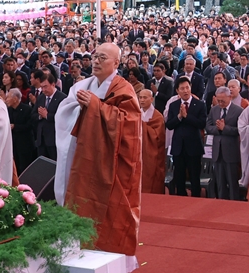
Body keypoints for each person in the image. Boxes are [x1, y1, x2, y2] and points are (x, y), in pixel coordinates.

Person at [54, 42, 142, 261]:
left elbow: (129, 124)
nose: (96, 61)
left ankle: (111, 256)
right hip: (82, 157)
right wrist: (85, 106)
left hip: (110, 161)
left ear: (116, 63)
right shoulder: (81, 85)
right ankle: (77, 250)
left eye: (103, 58)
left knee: (111, 208)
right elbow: (63, 113)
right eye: (95, 57)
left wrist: (95, 106)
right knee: (80, 199)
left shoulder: (123, 89)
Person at [166, 76, 207, 196]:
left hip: (194, 146)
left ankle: (196, 201)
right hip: (178, 147)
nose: (185, 91)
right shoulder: (173, 105)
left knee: (195, 178)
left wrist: (186, 116)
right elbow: (169, 125)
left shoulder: (199, 104)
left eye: (187, 87)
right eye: (182, 88)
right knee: (179, 178)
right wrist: (179, 117)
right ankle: (181, 201)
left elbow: (201, 123)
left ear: (191, 88)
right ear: (177, 91)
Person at [205, 86, 243, 200]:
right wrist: (218, 129)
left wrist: (225, 128)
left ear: (230, 97)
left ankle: (234, 205)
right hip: (217, 152)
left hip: (231, 151)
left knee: (232, 183)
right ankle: (221, 205)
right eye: (218, 100)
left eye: (223, 100)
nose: (220, 103)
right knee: (220, 183)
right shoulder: (214, 109)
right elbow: (208, 126)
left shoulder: (239, 110)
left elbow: (240, 130)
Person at [31, 68, 66, 161]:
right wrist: (40, 115)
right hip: (41, 140)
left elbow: (64, 118)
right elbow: (33, 114)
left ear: (53, 84)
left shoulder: (62, 98)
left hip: (54, 139)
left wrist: (47, 116)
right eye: (41, 87)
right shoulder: (41, 97)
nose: (43, 90)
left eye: (45, 86)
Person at [138, 89, 166, 195]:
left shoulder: (157, 117)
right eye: (140, 97)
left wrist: (142, 126)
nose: (142, 100)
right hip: (138, 152)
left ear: (151, 99)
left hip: (152, 153)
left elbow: (157, 136)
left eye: (145, 97)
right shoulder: (136, 113)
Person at [5, 89, 35, 175]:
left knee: (24, 167)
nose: (6, 100)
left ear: (15, 98)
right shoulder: (8, 110)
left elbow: (30, 126)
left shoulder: (27, 109)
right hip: (13, 143)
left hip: (25, 144)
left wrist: (15, 126)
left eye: (8, 98)